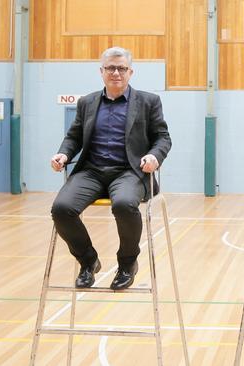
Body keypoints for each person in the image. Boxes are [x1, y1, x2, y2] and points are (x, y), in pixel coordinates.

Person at [50, 46, 171, 290]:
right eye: (111, 68)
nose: (116, 73)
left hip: (129, 171)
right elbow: (74, 137)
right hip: (91, 171)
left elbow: (162, 138)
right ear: (101, 71)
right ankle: (88, 261)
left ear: (131, 72)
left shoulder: (149, 101)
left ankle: (127, 263)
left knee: (125, 205)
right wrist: (63, 153)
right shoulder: (87, 102)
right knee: (61, 209)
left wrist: (154, 156)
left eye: (121, 68)